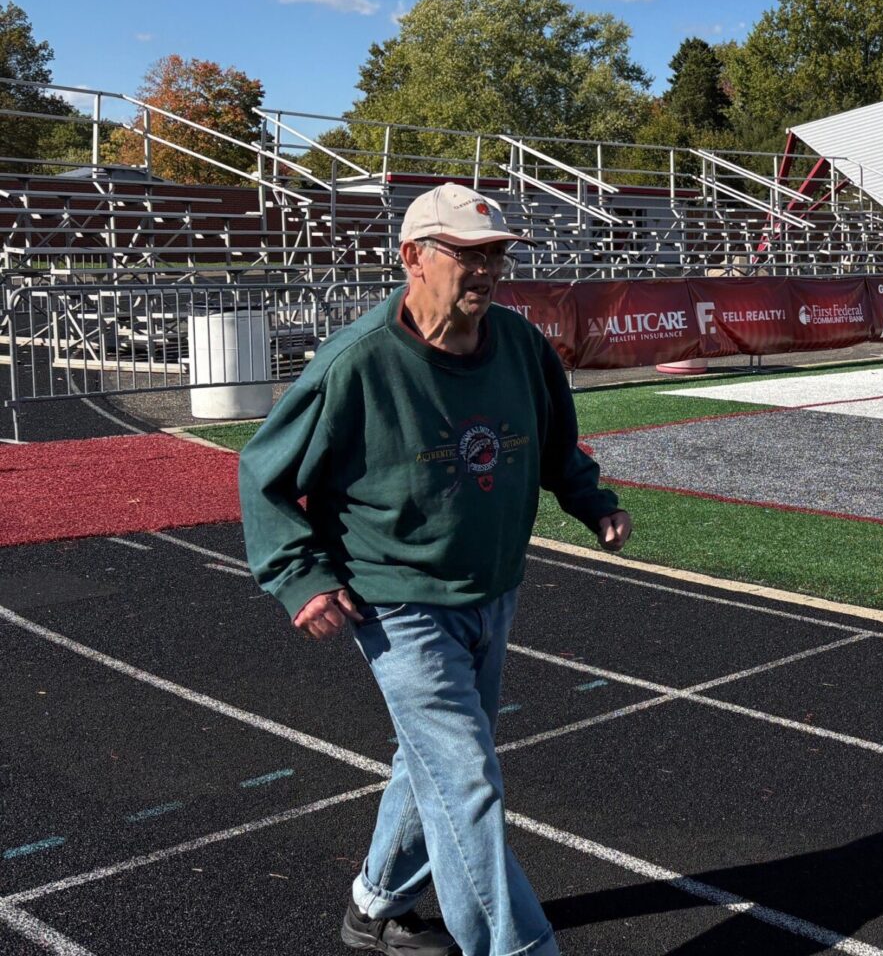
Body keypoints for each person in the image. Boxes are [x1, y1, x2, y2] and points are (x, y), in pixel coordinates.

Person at [240, 182, 631, 956]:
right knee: (465, 781)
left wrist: (591, 502)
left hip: (492, 588)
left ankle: (375, 903)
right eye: (468, 254)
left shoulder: (518, 345)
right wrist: (300, 576)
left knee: (433, 764)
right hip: (399, 602)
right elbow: (264, 473)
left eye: (497, 255)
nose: (487, 270)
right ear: (413, 257)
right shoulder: (358, 361)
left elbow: (555, 441)